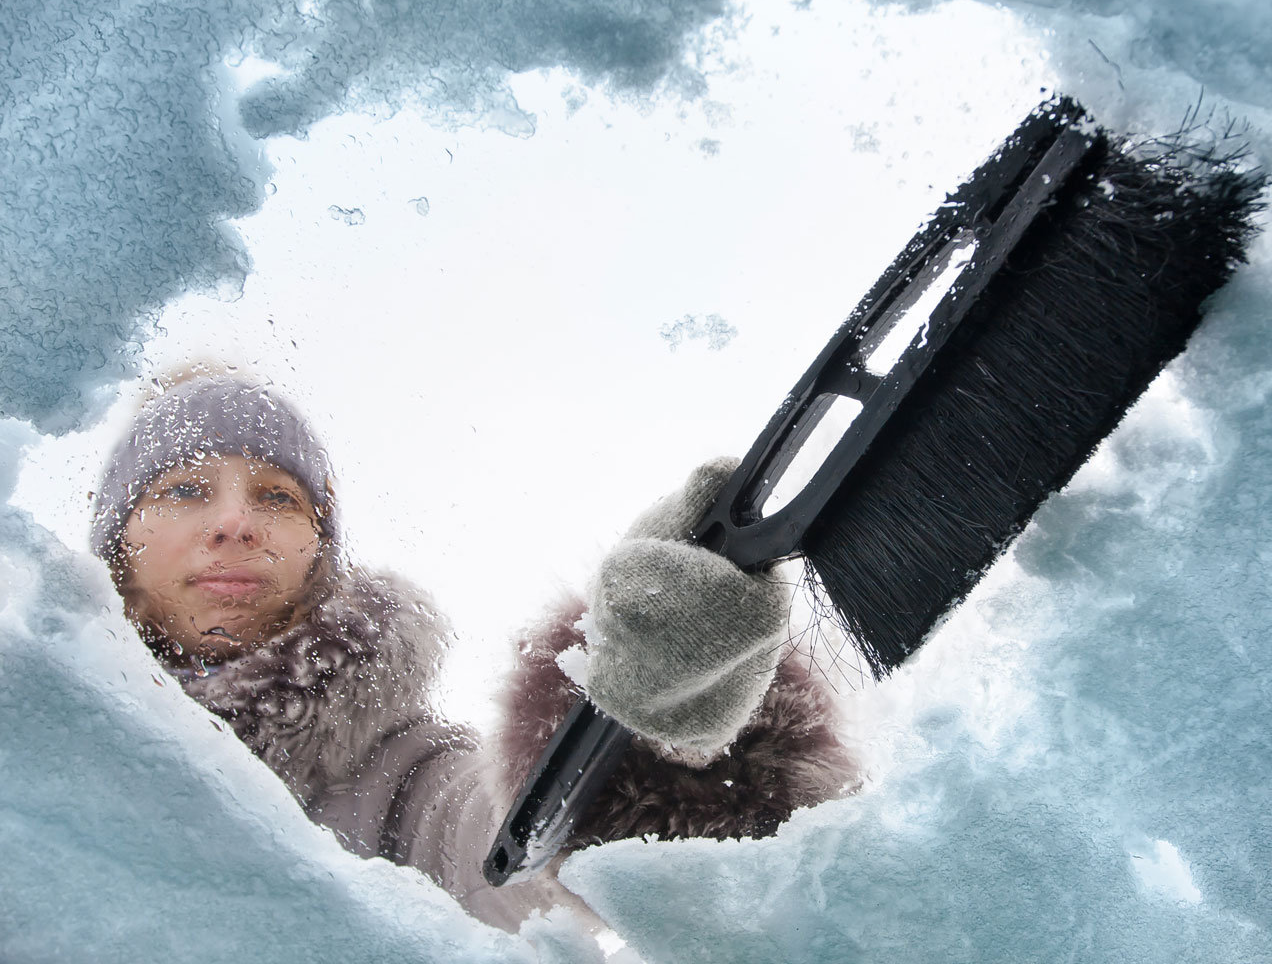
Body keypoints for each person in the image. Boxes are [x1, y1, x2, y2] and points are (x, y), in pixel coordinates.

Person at [90, 370, 857, 932]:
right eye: (184, 490)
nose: (235, 523)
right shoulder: (36, 729)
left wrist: (639, 728)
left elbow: (498, 844)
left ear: (320, 552)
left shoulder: (401, 777)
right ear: (117, 549)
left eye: (276, 497)